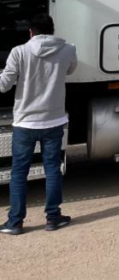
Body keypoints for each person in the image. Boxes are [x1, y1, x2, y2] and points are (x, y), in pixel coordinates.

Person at [0, 13, 77, 235]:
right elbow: (70, 70)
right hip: (53, 121)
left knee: (18, 173)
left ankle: (15, 222)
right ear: (52, 30)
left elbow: (4, 85)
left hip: (25, 122)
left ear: (31, 31)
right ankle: (53, 218)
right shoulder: (68, 49)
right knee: (52, 169)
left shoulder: (19, 51)